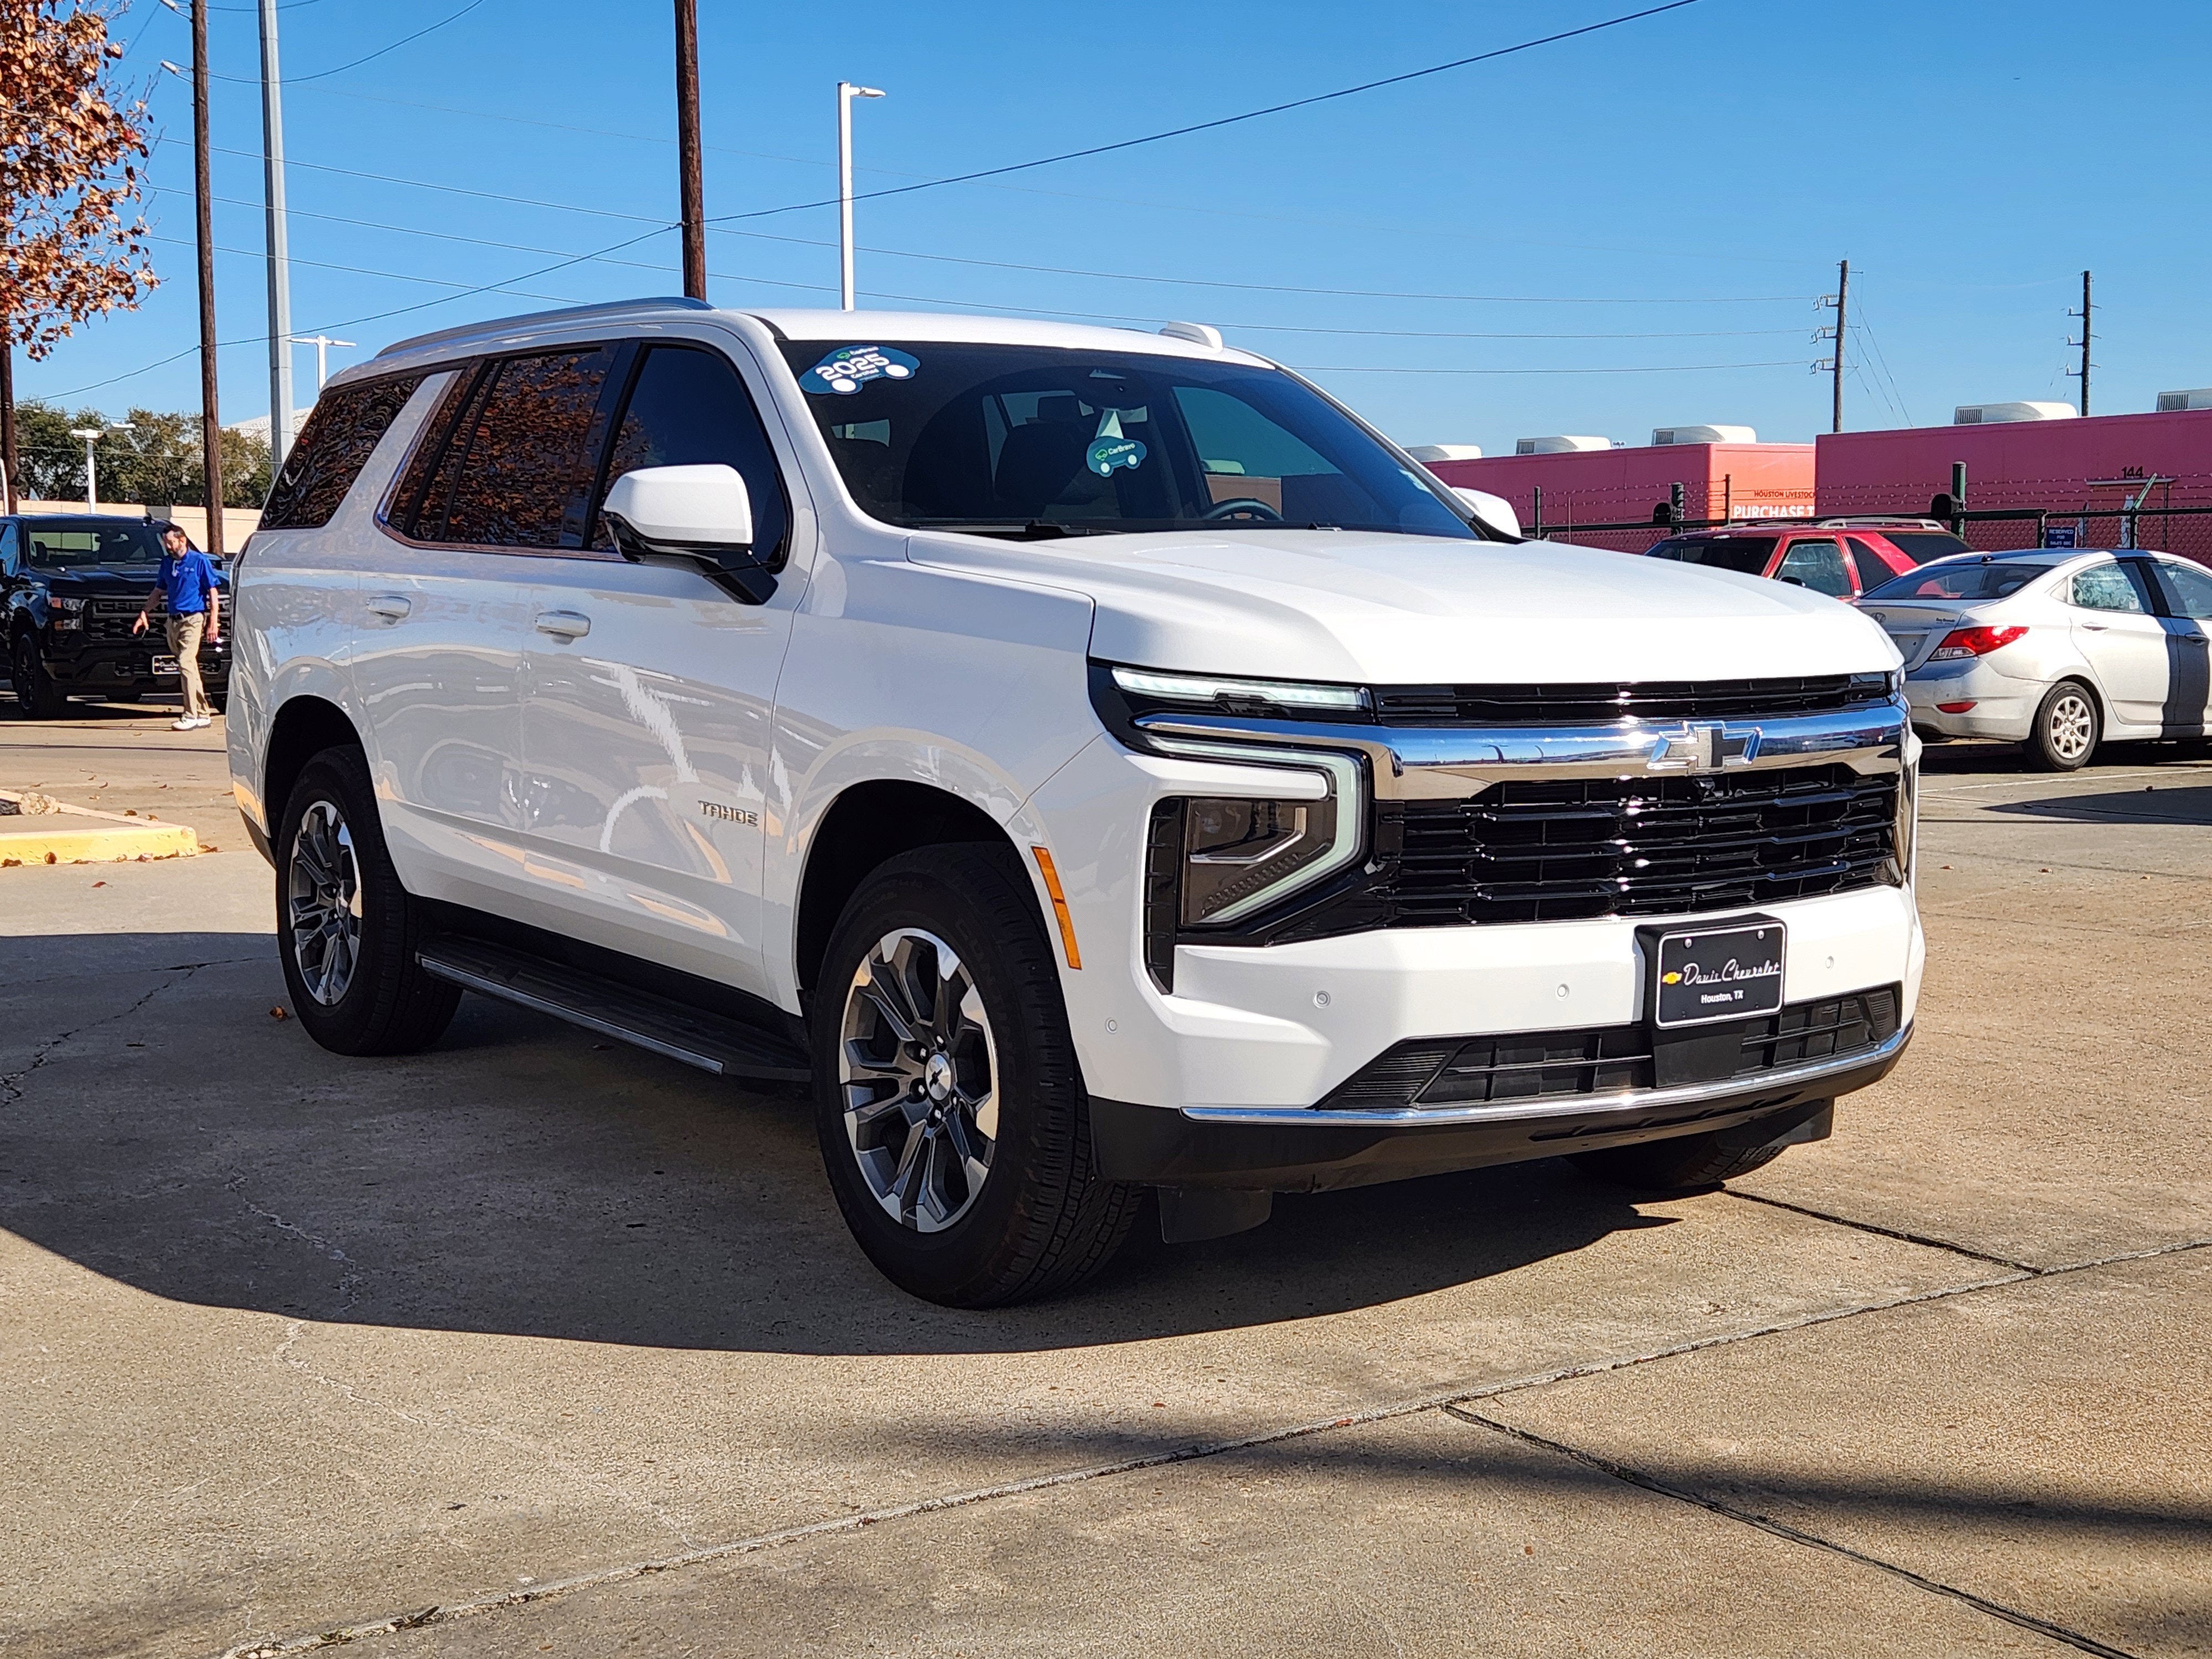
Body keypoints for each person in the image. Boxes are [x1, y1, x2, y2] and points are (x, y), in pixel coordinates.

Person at [132, 523, 222, 731]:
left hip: (193, 619)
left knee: (185, 662)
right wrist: (144, 612)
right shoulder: (166, 563)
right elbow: (158, 591)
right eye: (166, 543)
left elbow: (212, 592)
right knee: (189, 667)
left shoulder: (199, 561)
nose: (168, 546)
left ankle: (189, 714)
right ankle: (203, 712)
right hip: (173, 620)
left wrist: (213, 621)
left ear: (182, 540)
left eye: (171, 542)